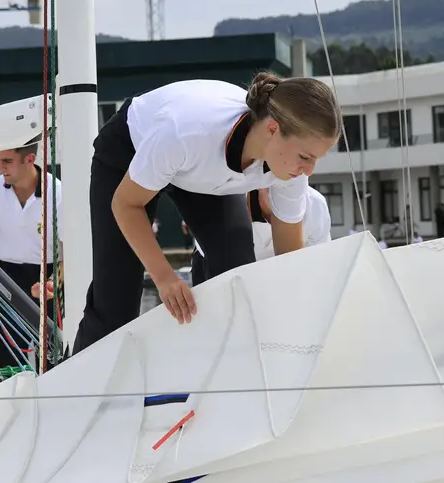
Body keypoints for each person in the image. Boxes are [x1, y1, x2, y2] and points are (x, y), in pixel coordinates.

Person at [72, 73, 340, 354]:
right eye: (305, 158)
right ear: (272, 130)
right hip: (131, 148)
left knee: (237, 270)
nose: (309, 171)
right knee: (117, 304)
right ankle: (71, 390)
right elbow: (125, 205)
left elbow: (290, 262)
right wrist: (165, 278)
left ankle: (227, 370)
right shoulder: (185, 133)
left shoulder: (291, 169)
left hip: (198, 170)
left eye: (316, 160)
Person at [0, 144, 62, 369]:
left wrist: (53, 282)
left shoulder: (57, 192)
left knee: (53, 358)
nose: (0, 167)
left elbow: (67, 250)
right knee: (7, 356)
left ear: (29, 159)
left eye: (7, 161)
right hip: (7, 275)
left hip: (49, 276)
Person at [190, 184, 333, 284]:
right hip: (215, 264)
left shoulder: (315, 206)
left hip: (286, 274)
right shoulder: (226, 206)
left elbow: (318, 266)